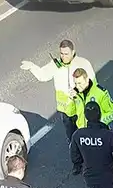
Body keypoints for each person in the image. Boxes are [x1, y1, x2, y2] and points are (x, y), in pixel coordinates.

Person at [20, 39, 98, 172]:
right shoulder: (55, 65)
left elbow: (93, 84)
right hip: (65, 111)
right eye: (61, 53)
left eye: (66, 53)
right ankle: (77, 164)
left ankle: (90, 163)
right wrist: (32, 67)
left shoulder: (83, 64)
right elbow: (43, 76)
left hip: (81, 110)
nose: (63, 56)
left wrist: (79, 91)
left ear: (73, 52)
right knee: (72, 139)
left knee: (85, 137)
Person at [71, 68, 113, 136]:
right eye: (75, 83)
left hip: (99, 132)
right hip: (82, 133)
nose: (77, 86)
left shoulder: (100, 93)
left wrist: (98, 123)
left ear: (87, 80)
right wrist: (70, 100)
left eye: (79, 83)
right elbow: (71, 113)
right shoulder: (76, 94)